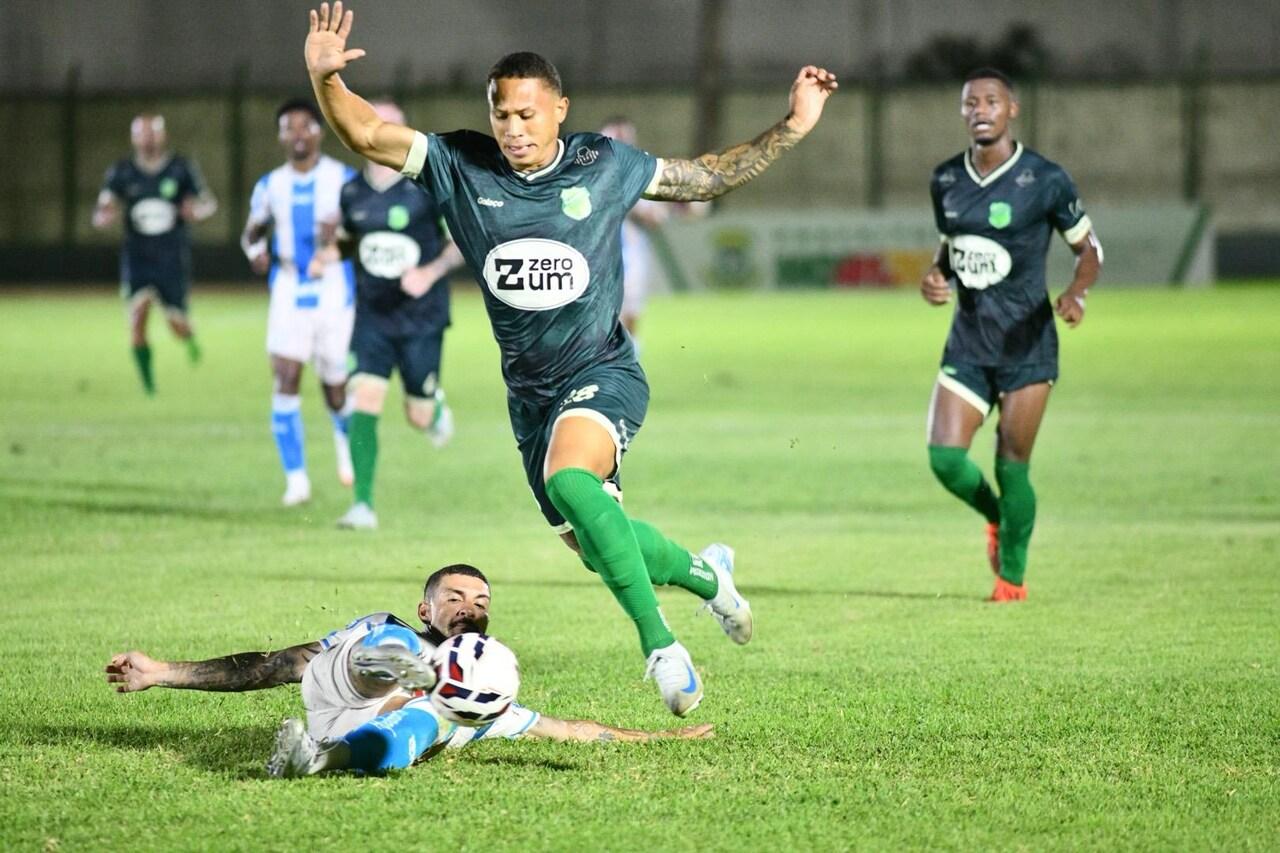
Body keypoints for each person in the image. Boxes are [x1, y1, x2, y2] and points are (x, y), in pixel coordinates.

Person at [305, 1, 836, 715]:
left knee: (570, 480)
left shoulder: (603, 165)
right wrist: (326, 79)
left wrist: (794, 124)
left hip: (602, 372)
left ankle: (661, 647)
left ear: (560, 109)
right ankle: (710, 577)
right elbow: (368, 133)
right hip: (530, 397)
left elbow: (705, 177)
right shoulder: (461, 165)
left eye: (527, 114)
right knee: (595, 543)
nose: (513, 128)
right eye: (501, 115)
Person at [105, 564, 713, 778]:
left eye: (480, 601)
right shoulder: (402, 625)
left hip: (353, 738)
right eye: (455, 598)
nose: (470, 607)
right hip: (344, 686)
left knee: (437, 715)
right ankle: (408, 667)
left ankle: (319, 760)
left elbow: (571, 730)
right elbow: (277, 666)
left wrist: (661, 738)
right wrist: (162, 672)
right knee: (393, 644)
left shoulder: (487, 690)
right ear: (429, 609)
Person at [920, 68, 1102, 602]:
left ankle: (1011, 580)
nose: (980, 110)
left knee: (1011, 463)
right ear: (962, 112)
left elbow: (1089, 250)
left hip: (1028, 346)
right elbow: (952, 250)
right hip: (968, 342)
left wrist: (1077, 293)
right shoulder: (945, 180)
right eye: (970, 102)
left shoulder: (1045, 179)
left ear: (1011, 110)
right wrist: (935, 278)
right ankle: (998, 517)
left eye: (991, 101)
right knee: (945, 460)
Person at [310, 99, 467, 531]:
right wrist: (328, 254)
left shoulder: (428, 186)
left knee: (418, 415)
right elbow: (351, 239)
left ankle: (434, 410)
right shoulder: (352, 191)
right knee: (364, 397)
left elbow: (460, 242)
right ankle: (362, 505)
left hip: (421, 317)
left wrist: (428, 272)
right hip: (372, 316)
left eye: (391, 125)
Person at [242, 99, 358, 507]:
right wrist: (254, 251)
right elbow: (252, 231)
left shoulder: (343, 180)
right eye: (288, 128)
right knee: (286, 377)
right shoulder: (270, 185)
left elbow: (361, 233)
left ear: (319, 132)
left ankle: (345, 443)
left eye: (305, 126)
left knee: (335, 389)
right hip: (289, 286)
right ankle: (296, 480)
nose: (297, 135)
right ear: (279, 136)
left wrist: (339, 234)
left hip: (333, 288)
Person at [93, 113, 217, 396]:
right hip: (137, 258)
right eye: (142, 133)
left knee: (176, 325)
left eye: (153, 132)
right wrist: (103, 216)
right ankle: (148, 384)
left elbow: (208, 202)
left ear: (163, 135)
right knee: (137, 318)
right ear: (133, 138)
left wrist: (197, 211)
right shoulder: (121, 171)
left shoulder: (181, 168)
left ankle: (189, 338)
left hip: (171, 257)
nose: (147, 139)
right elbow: (103, 206)